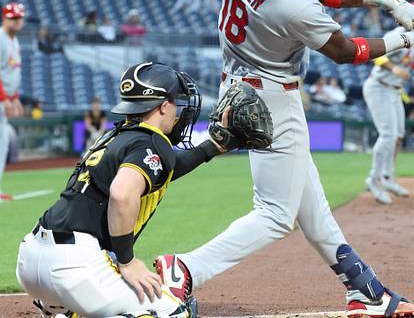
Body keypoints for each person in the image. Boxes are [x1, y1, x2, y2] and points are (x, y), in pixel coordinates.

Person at [152, 0, 414, 317]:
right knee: (275, 214)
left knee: (310, 203)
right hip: (270, 101)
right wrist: (407, 38)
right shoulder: (291, 5)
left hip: (240, 84)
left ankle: (365, 289)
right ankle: (186, 268)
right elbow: (345, 51)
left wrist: (389, 1)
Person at [15, 62, 268, 317]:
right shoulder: (150, 142)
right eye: (175, 103)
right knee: (177, 312)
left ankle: (65, 310)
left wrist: (213, 146)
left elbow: (163, 169)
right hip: (74, 267)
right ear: (163, 106)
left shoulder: (117, 136)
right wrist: (128, 261)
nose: (178, 112)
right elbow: (122, 193)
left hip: (33, 259)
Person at [362, 2, 414, 204]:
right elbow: (376, 56)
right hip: (379, 86)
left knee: (398, 136)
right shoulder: (395, 35)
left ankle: (387, 177)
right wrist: (393, 69)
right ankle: (374, 179)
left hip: (394, 91)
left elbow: (412, 59)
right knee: (388, 135)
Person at [0, 2, 25, 201]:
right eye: (13, 18)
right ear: (5, 18)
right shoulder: (1, 38)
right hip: (1, 98)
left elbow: (11, 73)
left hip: (6, 98)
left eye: (19, 18)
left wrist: (14, 97)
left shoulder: (14, 41)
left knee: (3, 143)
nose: (17, 22)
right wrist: (5, 98)